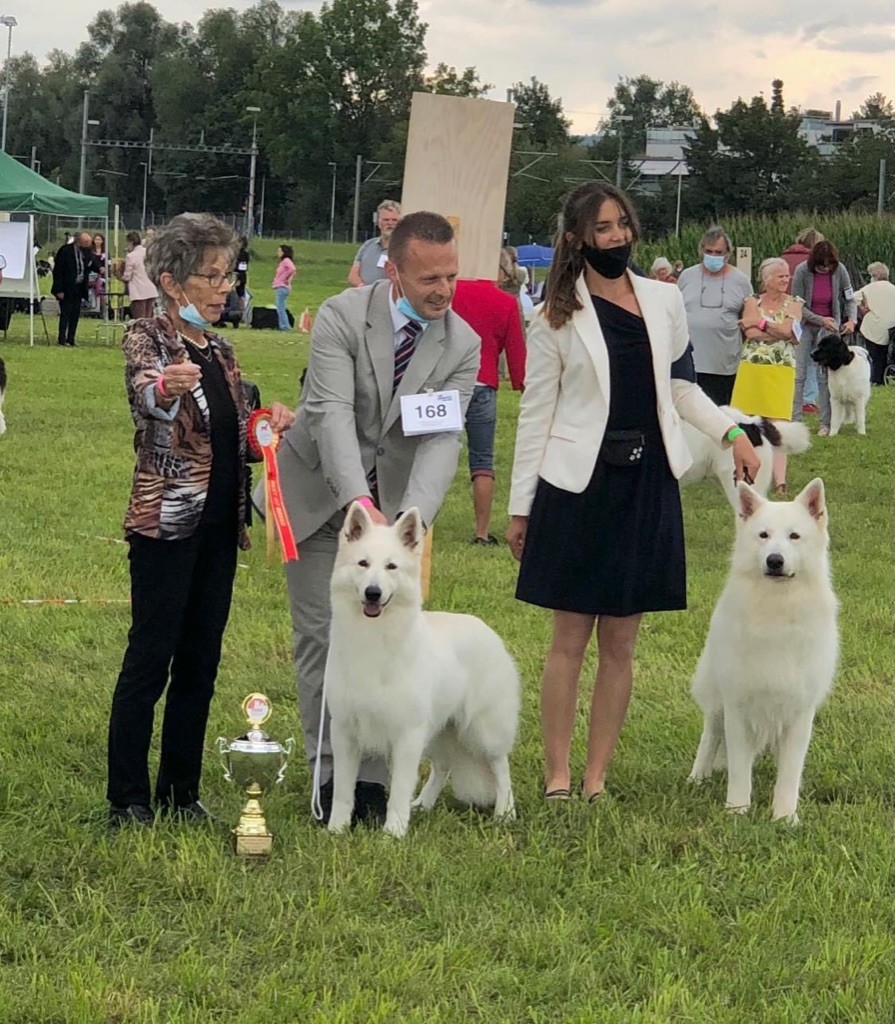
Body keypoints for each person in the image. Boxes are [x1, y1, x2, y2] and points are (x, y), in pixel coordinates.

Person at [505, 181, 759, 804]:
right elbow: (536, 413)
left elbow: (680, 388)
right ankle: (558, 776)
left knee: (621, 644)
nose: (617, 236)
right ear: (576, 239)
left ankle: (596, 778)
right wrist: (520, 507)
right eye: (603, 228)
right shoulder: (552, 317)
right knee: (569, 641)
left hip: (646, 485)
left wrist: (733, 431)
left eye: (622, 224)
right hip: (576, 487)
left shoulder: (664, 299)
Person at [274, 211, 480, 825]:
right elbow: (331, 412)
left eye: (451, 276)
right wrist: (357, 505)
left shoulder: (462, 345)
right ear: (392, 271)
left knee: (384, 644)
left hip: (392, 518)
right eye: (427, 279)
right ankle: (328, 773)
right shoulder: (341, 315)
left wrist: (407, 525)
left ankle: (368, 784)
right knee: (323, 637)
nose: (443, 290)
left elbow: (443, 439)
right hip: (319, 496)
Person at [106, 213, 295, 827]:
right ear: (171, 282)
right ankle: (129, 797)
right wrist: (165, 387)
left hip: (218, 531)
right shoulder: (148, 339)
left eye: (227, 275)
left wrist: (267, 429)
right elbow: (145, 396)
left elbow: (234, 438)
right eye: (211, 277)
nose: (225, 288)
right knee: (149, 661)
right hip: (164, 528)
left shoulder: (222, 348)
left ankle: (180, 794)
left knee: (200, 664)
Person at [451, 275, 527, 545]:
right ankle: (481, 532)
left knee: (431, 454)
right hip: (484, 384)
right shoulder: (505, 302)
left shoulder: (450, 292)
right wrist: (521, 381)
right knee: (483, 460)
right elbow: (516, 350)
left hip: (448, 384)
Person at [736, 257, 803, 493]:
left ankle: (780, 480)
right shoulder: (752, 301)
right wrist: (774, 330)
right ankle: (744, 471)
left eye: (787, 276)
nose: (786, 280)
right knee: (746, 421)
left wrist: (762, 324)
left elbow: (788, 331)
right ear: (766, 279)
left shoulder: (794, 303)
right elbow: (751, 334)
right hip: (752, 367)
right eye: (780, 276)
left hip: (780, 368)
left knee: (778, 424)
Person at [676, 226, 753, 405]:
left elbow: (747, 318)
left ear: (727, 254)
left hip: (723, 363)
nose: (713, 256)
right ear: (701, 250)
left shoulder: (741, 281)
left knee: (720, 412)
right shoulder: (687, 276)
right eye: (709, 251)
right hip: (689, 361)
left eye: (718, 252)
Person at [791, 240, 857, 436]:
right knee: (799, 375)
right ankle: (796, 420)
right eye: (821, 265)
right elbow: (798, 306)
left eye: (829, 265)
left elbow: (849, 298)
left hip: (829, 329)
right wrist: (820, 319)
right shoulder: (802, 271)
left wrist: (851, 319)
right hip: (805, 326)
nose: (825, 268)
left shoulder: (840, 271)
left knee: (824, 377)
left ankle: (825, 424)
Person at [853, 262, 895, 386]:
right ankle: (883, 377)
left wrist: (862, 307)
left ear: (874, 276)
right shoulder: (892, 288)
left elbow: (853, 298)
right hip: (891, 327)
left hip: (873, 326)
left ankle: (875, 378)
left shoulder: (868, 289)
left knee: (874, 354)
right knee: (885, 353)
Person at [52, 231, 93, 346]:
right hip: (66, 287)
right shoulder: (65, 251)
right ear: (79, 241)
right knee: (65, 313)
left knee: (75, 314)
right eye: (86, 243)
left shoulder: (86, 252)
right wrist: (59, 289)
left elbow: (91, 263)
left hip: (79, 288)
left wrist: (101, 268)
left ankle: (71, 338)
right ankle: (62, 339)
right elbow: (58, 271)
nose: (88, 245)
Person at [348, 200, 402, 287]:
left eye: (394, 220)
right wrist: (365, 290)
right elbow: (352, 275)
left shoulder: (404, 249)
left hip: (388, 298)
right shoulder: (367, 245)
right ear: (379, 222)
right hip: (364, 296)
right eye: (386, 220)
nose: (390, 223)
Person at [122, 231, 158, 320]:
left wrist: (119, 276)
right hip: (151, 289)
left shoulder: (131, 256)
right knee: (149, 318)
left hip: (139, 291)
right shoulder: (149, 253)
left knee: (140, 319)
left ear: (130, 242)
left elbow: (127, 276)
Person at [272, 244, 296, 331]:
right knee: (281, 307)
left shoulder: (286, 261)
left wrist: (286, 278)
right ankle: (283, 325)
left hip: (282, 287)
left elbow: (292, 269)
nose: (278, 253)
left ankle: (285, 326)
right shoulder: (283, 262)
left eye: (280, 251)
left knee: (280, 308)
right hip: (281, 287)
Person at [89, 233, 107, 315]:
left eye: (99, 240)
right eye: (96, 239)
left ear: (102, 241)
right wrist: (99, 268)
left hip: (103, 275)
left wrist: (105, 269)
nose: (98, 241)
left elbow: (108, 262)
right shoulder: (91, 251)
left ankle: (102, 307)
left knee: (103, 289)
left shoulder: (105, 251)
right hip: (93, 273)